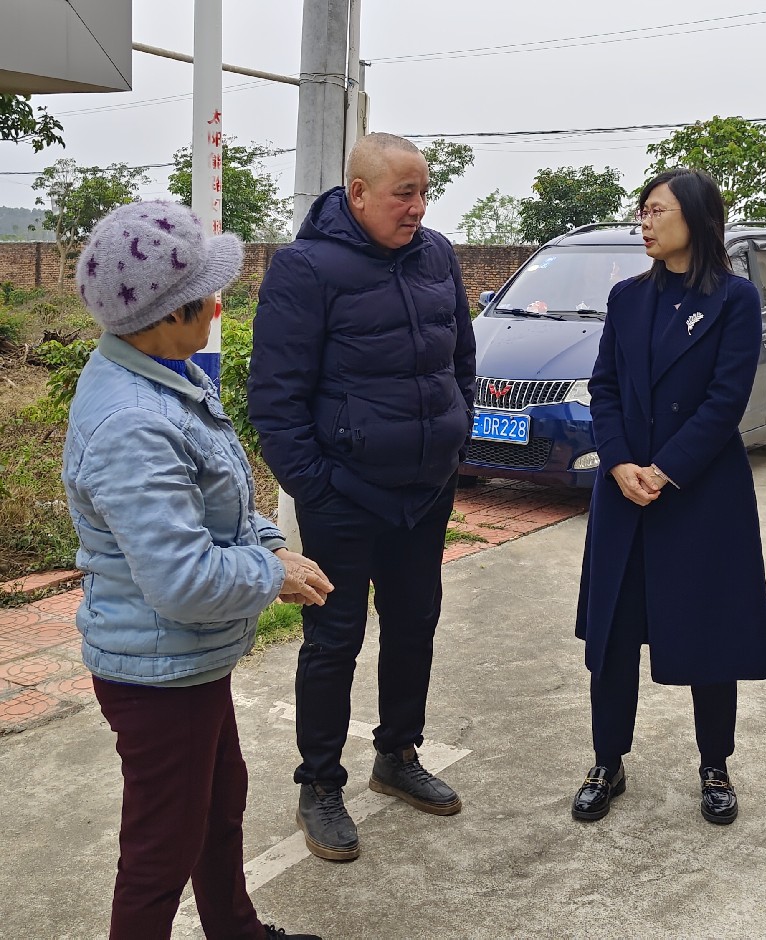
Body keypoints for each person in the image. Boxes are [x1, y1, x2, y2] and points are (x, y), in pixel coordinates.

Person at [64, 200, 333, 939]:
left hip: (190, 660)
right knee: (160, 852)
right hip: (157, 673)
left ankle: (234, 928)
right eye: (206, 296)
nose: (220, 304)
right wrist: (271, 577)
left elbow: (220, 502)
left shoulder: (167, 375)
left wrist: (272, 546)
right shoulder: (132, 421)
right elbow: (180, 579)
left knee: (219, 808)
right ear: (164, 315)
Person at [247, 132, 476, 861]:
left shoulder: (437, 253)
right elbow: (275, 402)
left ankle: (397, 755)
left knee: (415, 623)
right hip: (344, 495)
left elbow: (460, 358)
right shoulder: (304, 268)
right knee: (334, 639)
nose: (417, 207)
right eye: (402, 193)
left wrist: (453, 438)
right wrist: (318, 487)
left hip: (425, 489)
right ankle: (319, 785)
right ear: (357, 193)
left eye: (423, 192)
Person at [572, 168, 766, 826]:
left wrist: (664, 471)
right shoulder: (629, 298)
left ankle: (715, 764)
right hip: (625, 493)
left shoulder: (735, 300)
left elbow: (725, 401)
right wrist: (623, 463)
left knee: (709, 632)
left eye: (657, 211)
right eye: (642, 211)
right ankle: (608, 761)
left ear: (695, 217)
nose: (646, 222)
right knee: (613, 635)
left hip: (699, 495)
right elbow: (603, 386)